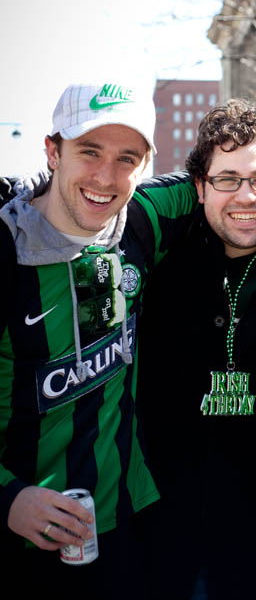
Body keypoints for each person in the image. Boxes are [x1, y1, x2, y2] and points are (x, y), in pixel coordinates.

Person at [0, 82, 199, 597]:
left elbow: (246, 175)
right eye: (89, 152)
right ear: (52, 151)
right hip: (15, 537)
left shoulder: (141, 222)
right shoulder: (5, 254)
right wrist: (8, 498)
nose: (106, 177)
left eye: (126, 159)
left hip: (121, 536)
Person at [136, 100, 256, 598]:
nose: (245, 195)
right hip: (161, 532)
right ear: (200, 188)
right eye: (227, 179)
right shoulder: (161, 253)